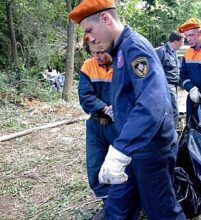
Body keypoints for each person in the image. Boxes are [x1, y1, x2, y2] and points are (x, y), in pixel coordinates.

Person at [69, 1, 186, 219]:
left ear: (105, 19)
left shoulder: (135, 48)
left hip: (151, 149)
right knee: (117, 207)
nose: (90, 39)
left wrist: (121, 150)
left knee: (162, 211)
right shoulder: (119, 50)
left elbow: (153, 104)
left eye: (89, 30)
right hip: (132, 147)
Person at [79, 38, 116, 220]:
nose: (97, 57)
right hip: (96, 124)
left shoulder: (122, 64)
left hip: (118, 126)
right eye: (93, 53)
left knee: (123, 165)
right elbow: (85, 96)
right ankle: (108, 207)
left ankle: (126, 204)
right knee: (95, 166)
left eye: (101, 52)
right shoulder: (88, 66)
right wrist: (105, 108)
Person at [156, 31, 184, 127]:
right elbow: (155, 71)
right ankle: (172, 133)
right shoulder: (161, 52)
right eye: (182, 42)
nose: (183, 44)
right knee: (174, 111)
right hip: (166, 85)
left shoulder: (174, 53)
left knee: (170, 111)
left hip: (174, 85)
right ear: (176, 42)